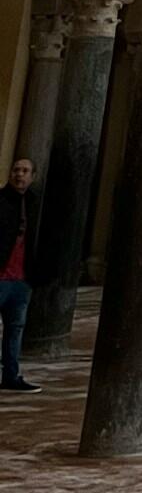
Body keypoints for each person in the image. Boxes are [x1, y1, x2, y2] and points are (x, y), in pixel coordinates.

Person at [0, 155, 39, 392]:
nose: (19, 174)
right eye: (16, 170)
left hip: (21, 280)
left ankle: (11, 376)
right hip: (1, 277)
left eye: (25, 171)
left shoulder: (35, 204)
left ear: (32, 177)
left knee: (15, 331)